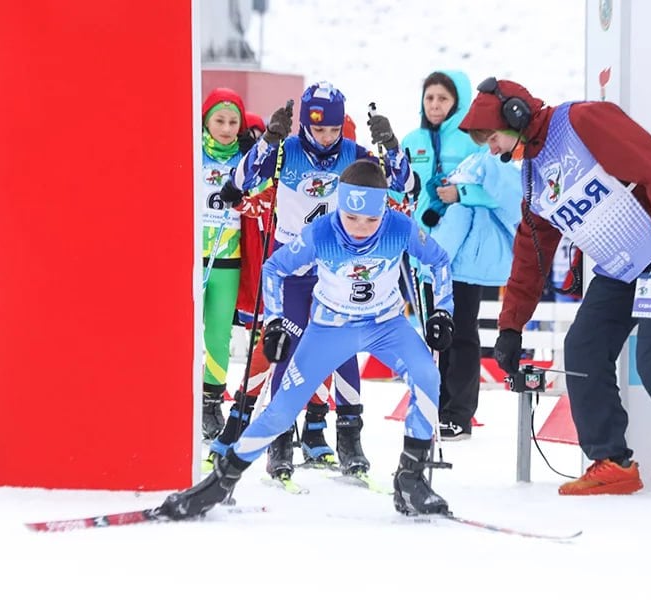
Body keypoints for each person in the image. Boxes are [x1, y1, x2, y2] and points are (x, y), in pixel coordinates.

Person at [459, 78, 651, 498]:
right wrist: (511, 327)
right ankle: (612, 462)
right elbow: (530, 254)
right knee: (584, 349)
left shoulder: (582, 121)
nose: (491, 149)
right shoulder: (532, 178)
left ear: (516, 116)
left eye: (492, 138)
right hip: (622, 270)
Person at [159, 159, 454, 519]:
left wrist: (443, 312)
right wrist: (275, 322)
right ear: (339, 206)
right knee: (282, 410)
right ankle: (220, 481)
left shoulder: (399, 227)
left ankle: (411, 479)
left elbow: (439, 262)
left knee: (427, 377)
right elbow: (274, 268)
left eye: (371, 220)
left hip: (386, 325)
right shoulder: (322, 233)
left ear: (383, 211)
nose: (361, 228)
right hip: (330, 328)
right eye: (352, 217)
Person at [211, 82, 413, 480]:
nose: (326, 139)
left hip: (337, 270)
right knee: (286, 349)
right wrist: (269, 141)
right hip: (292, 268)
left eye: (333, 131)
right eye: (318, 130)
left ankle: (350, 437)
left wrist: (390, 146)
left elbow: (405, 186)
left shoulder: (355, 156)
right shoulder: (286, 153)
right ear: (305, 125)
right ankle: (282, 438)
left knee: (345, 351)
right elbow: (239, 181)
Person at [399, 70, 523, 440]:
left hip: (466, 255)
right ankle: (433, 404)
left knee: (463, 330)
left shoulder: (477, 144)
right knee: (431, 330)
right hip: (423, 249)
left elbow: (500, 194)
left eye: (444, 99)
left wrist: (462, 196)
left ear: (460, 103)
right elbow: (406, 191)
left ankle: (459, 413)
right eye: (429, 98)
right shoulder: (412, 140)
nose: (435, 105)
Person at [199, 88, 261, 440]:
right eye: (219, 120)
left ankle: (211, 402)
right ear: (206, 121)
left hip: (227, 259)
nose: (225, 127)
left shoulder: (244, 159)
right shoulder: (192, 152)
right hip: (191, 259)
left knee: (219, 335)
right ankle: (178, 394)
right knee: (183, 332)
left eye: (232, 121)